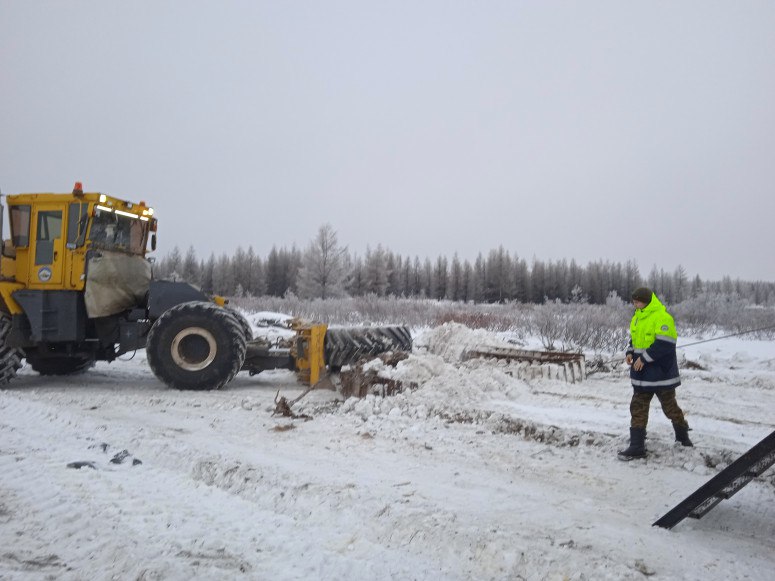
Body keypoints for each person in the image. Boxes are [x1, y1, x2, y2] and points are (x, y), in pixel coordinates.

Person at [619, 287, 693, 460]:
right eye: (634, 302)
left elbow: (665, 344)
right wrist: (630, 352)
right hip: (642, 373)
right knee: (637, 406)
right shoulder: (637, 317)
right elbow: (634, 339)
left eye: (637, 302)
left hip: (661, 373)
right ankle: (637, 446)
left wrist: (644, 358)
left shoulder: (662, 317)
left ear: (647, 301)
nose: (635, 305)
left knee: (670, 408)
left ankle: (683, 436)